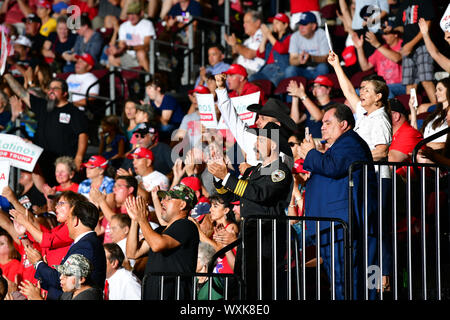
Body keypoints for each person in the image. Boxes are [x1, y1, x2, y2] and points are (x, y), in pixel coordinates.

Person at [298, 103, 378, 299]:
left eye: (327, 122)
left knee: (345, 282)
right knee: (338, 282)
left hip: (339, 226)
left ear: (343, 124)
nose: (322, 126)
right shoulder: (338, 146)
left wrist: (310, 154)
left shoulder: (350, 142)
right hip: (329, 226)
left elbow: (334, 167)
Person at [207, 120, 293, 299]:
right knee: (245, 285)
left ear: (274, 144)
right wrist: (219, 177)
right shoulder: (257, 171)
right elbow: (233, 197)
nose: (256, 144)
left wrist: (227, 176)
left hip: (267, 238)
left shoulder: (280, 170)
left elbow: (259, 194)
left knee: (261, 289)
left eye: (261, 140)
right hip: (251, 235)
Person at [3, 75, 89, 186]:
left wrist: (79, 158)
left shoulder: (74, 112)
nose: (51, 91)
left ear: (65, 93)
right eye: (50, 88)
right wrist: (6, 74)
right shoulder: (43, 106)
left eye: (56, 88)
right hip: (43, 162)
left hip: (63, 164)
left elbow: (83, 135)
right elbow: (21, 93)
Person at [125, 185, 199, 300]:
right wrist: (135, 220)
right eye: (163, 198)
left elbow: (157, 245)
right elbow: (132, 253)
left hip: (173, 295)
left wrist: (142, 219)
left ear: (182, 205)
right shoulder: (160, 231)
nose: (162, 201)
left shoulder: (186, 225)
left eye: (168, 199)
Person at [25, 200, 107, 300]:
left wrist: (38, 263)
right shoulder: (85, 243)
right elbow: (64, 280)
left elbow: (72, 281)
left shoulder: (86, 245)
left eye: (68, 218)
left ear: (76, 220)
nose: (66, 223)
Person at [215, 73, 294, 168]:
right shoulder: (251, 137)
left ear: (276, 125)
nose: (257, 122)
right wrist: (221, 89)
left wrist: (251, 171)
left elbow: (270, 179)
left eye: (263, 118)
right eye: (258, 117)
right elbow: (231, 118)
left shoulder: (285, 154)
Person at [392, 0, 436, 104]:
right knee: (410, 85)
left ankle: (438, 111)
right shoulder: (404, 4)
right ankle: (413, 112)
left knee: (426, 81)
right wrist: (390, 29)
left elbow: (427, 24)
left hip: (422, 45)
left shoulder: (424, 2)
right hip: (407, 48)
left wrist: (411, 44)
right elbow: (402, 27)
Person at [352, 26, 405, 98]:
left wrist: (377, 45)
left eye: (386, 34)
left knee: (385, 90)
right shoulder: (381, 48)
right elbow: (365, 67)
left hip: (400, 85)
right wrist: (359, 48)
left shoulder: (403, 44)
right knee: (355, 92)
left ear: (395, 34)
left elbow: (397, 58)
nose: (383, 36)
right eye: (382, 34)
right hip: (380, 85)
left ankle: (390, 108)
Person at [107, 1, 156, 72]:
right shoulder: (124, 26)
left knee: (141, 53)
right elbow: (122, 45)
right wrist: (116, 50)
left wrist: (130, 47)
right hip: (129, 56)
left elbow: (147, 46)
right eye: (129, 14)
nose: (131, 17)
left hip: (146, 56)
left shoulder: (147, 24)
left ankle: (149, 79)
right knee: (111, 58)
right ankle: (123, 80)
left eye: (134, 14)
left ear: (141, 13)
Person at [248, 12, 292, 87]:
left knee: (271, 85)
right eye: (273, 23)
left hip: (279, 69)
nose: (274, 25)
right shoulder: (272, 39)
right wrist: (265, 37)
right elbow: (260, 53)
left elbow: (281, 49)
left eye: (277, 23)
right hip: (266, 69)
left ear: (285, 25)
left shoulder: (290, 37)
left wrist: (269, 34)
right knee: (252, 79)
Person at [284, 11, 329, 80]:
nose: (301, 27)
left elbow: (326, 58)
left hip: (317, 69)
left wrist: (311, 58)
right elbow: (292, 60)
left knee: (323, 67)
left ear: (313, 26)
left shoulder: (322, 34)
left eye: (304, 24)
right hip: (302, 70)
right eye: (300, 24)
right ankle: (293, 90)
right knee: (290, 70)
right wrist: (299, 60)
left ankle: (319, 87)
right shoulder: (295, 36)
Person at [225, 10, 265, 76]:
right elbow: (238, 56)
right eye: (244, 22)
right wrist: (234, 47)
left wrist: (235, 44)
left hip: (252, 73)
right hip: (241, 71)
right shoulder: (248, 40)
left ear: (257, 23)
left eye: (247, 22)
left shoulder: (262, 35)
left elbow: (249, 54)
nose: (244, 25)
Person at [145, 73, 185, 140]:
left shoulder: (168, 99)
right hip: (164, 126)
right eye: (146, 88)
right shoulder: (152, 102)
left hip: (177, 127)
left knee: (163, 128)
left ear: (158, 89)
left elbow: (164, 122)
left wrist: (149, 111)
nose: (147, 91)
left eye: (149, 88)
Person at [388, 98, 423, 163]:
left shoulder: (408, 133)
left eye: (384, 113)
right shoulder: (393, 134)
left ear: (396, 116)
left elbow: (391, 160)